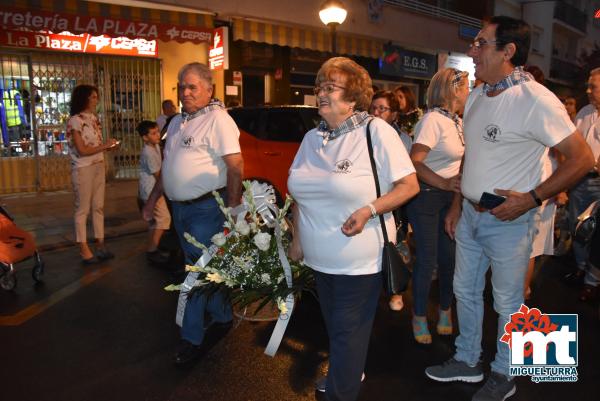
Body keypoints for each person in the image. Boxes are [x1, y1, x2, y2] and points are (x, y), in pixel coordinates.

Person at [424, 16, 593, 401]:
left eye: (481, 43)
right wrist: (456, 203)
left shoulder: (536, 99)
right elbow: (472, 155)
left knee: (507, 303)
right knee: (464, 291)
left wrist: (531, 199)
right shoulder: (480, 96)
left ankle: (504, 372)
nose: (471, 50)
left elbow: (581, 159)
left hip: (509, 221)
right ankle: (467, 360)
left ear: (508, 51)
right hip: (469, 215)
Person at [288, 57, 419, 401]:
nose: (321, 93)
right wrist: (298, 238)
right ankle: (345, 374)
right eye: (320, 87)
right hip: (320, 259)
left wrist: (369, 209)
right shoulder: (311, 139)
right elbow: (298, 192)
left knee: (347, 331)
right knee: (337, 328)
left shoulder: (375, 131)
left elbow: (409, 186)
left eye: (330, 87)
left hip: (359, 261)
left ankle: (341, 392)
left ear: (353, 97)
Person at [143, 62, 243, 365]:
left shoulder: (218, 120)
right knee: (205, 268)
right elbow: (167, 168)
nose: (185, 92)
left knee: (195, 274)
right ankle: (224, 314)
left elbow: (235, 166)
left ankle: (191, 337)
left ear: (208, 89)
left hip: (206, 210)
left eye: (192, 87)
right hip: (181, 211)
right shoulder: (176, 122)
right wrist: (151, 201)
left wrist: (235, 208)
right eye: (181, 86)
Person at [407, 68, 468, 344]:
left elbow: (461, 165)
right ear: (453, 90)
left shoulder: (458, 121)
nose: (469, 91)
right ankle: (419, 314)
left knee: (450, 260)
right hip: (427, 198)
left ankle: (445, 310)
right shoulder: (433, 120)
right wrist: (444, 184)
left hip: (450, 200)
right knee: (428, 260)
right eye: (466, 86)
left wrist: (454, 195)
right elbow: (415, 161)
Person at [369, 90, 413, 312]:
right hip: (371, 198)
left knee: (396, 244)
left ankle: (396, 290)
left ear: (394, 114)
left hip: (395, 201)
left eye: (382, 109)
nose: (376, 113)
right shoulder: (364, 134)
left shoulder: (403, 139)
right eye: (373, 108)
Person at [66, 84, 118, 264]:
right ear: (85, 98)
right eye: (94, 97)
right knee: (83, 209)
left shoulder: (94, 118)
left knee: (98, 206)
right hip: (83, 167)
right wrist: (105, 146)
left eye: (97, 96)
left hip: (98, 164)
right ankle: (83, 247)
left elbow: (95, 145)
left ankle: (100, 244)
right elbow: (81, 150)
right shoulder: (75, 120)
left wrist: (107, 148)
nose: (96, 100)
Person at [565, 67, 600, 302]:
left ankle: (592, 281)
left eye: (593, 86)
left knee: (597, 235)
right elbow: (572, 147)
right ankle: (580, 267)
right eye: (588, 85)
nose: (588, 91)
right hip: (579, 181)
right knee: (577, 228)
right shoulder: (584, 113)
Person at [137, 120, 171, 265]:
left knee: (154, 222)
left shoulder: (155, 146)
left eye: (158, 131)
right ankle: (152, 250)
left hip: (150, 190)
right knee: (164, 219)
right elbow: (158, 175)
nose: (158, 135)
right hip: (152, 191)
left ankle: (153, 247)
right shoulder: (148, 152)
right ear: (145, 137)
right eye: (153, 133)